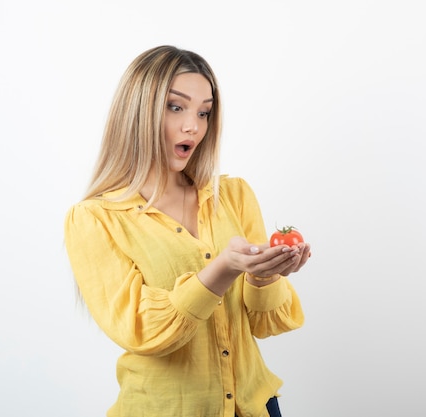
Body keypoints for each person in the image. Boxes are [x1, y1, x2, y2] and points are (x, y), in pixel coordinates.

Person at [64, 45, 311, 417]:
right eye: (175, 107)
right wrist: (222, 269)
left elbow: (263, 323)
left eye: (204, 112)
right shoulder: (95, 219)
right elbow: (142, 330)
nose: (193, 126)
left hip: (256, 407)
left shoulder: (234, 196)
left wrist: (264, 277)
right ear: (138, 112)